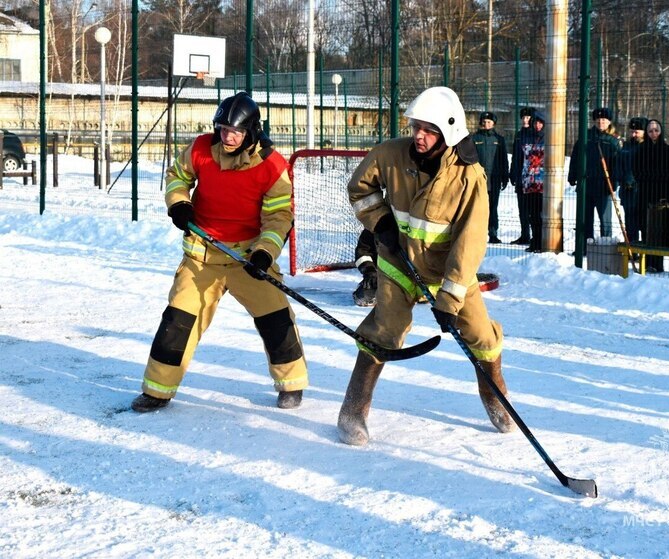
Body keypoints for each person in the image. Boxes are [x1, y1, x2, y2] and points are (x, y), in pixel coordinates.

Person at [338, 86, 513, 446]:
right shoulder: (390, 154)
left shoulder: (469, 177)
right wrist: (381, 223)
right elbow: (360, 190)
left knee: (481, 334)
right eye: (417, 126)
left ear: (448, 132)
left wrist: (449, 301)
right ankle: (353, 409)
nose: (419, 135)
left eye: (429, 130)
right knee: (385, 329)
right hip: (398, 262)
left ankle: (496, 397)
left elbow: (469, 243)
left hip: (447, 271)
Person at [131, 92, 308, 412]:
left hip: (249, 257)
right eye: (223, 129)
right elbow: (177, 178)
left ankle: (291, 384)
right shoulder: (200, 149)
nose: (227, 137)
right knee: (177, 321)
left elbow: (279, 217)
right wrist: (179, 204)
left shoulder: (272, 166)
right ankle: (158, 389)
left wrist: (264, 254)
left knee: (277, 319)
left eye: (236, 132)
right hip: (203, 255)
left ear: (252, 132)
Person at [568, 107, 622, 248]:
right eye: (598, 119)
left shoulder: (613, 141)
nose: (600, 122)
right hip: (586, 184)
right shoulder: (585, 136)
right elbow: (575, 157)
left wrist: (614, 183)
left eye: (604, 119)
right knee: (585, 219)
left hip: (604, 186)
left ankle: (606, 248)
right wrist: (572, 175)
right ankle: (585, 248)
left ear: (609, 121)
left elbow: (618, 164)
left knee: (605, 220)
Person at [632, 118, 669, 273]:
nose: (653, 133)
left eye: (656, 130)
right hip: (645, 195)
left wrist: (653, 178)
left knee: (661, 229)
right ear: (647, 132)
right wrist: (651, 178)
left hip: (663, 195)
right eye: (650, 130)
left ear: (661, 131)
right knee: (645, 228)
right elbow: (637, 172)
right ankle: (646, 263)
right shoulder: (640, 150)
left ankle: (658, 264)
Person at [471, 111, 510, 243]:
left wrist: (505, 176)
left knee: (493, 207)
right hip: (479, 179)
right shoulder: (474, 139)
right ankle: (477, 233)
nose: (487, 124)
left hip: (495, 179)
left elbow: (503, 159)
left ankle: (493, 232)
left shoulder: (499, 140)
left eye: (489, 122)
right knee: (478, 207)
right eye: (485, 122)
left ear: (494, 123)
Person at [511, 111, 546, 252]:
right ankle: (534, 241)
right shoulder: (525, 137)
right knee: (532, 214)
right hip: (528, 182)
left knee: (542, 214)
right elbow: (519, 158)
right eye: (535, 122)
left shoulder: (549, 138)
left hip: (543, 183)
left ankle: (542, 241)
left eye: (540, 123)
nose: (537, 125)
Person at [615, 117, 647, 243]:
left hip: (643, 194)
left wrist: (631, 178)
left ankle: (646, 255)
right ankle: (632, 252)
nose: (633, 134)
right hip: (627, 194)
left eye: (637, 132)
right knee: (630, 226)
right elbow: (618, 166)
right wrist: (621, 178)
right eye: (632, 131)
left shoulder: (647, 148)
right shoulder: (626, 147)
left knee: (645, 225)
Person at [509, 107, 535, 244]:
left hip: (533, 178)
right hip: (520, 177)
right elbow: (515, 156)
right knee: (522, 208)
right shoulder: (519, 135)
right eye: (523, 118)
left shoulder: (535, 134)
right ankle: (524, 234)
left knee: (533, 209)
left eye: (528, 118)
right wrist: (513, 173)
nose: (525, 120)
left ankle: (535, 236)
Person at [352, 228, 378, 306]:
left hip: (410, 276)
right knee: (365, 295)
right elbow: (362, 252)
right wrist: (369, 271)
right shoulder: (375, 225)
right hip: (383, 277)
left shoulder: (414, 227)